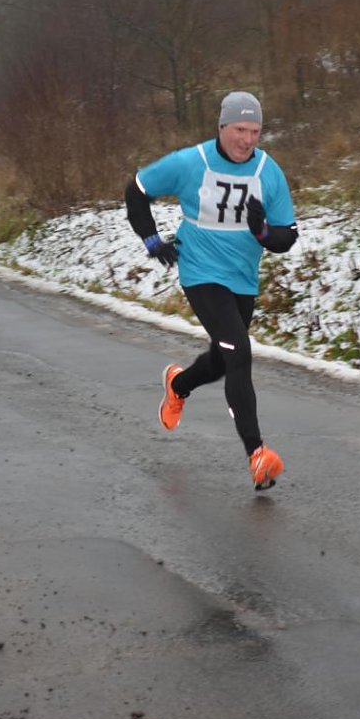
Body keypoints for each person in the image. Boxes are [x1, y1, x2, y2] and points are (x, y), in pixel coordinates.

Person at [125, 91, 298, 490]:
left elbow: (286, 237)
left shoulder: (269, 172)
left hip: (242, 277)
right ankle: (257, 454)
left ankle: (178, 385)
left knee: (224, 360)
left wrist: (262, 232)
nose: (247, 139)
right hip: (200, 272)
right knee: (240, 351)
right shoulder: (191, 162)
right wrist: (152, 240)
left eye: (255, 131)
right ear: (221, 127)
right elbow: (136, 190)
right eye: (240, 129)